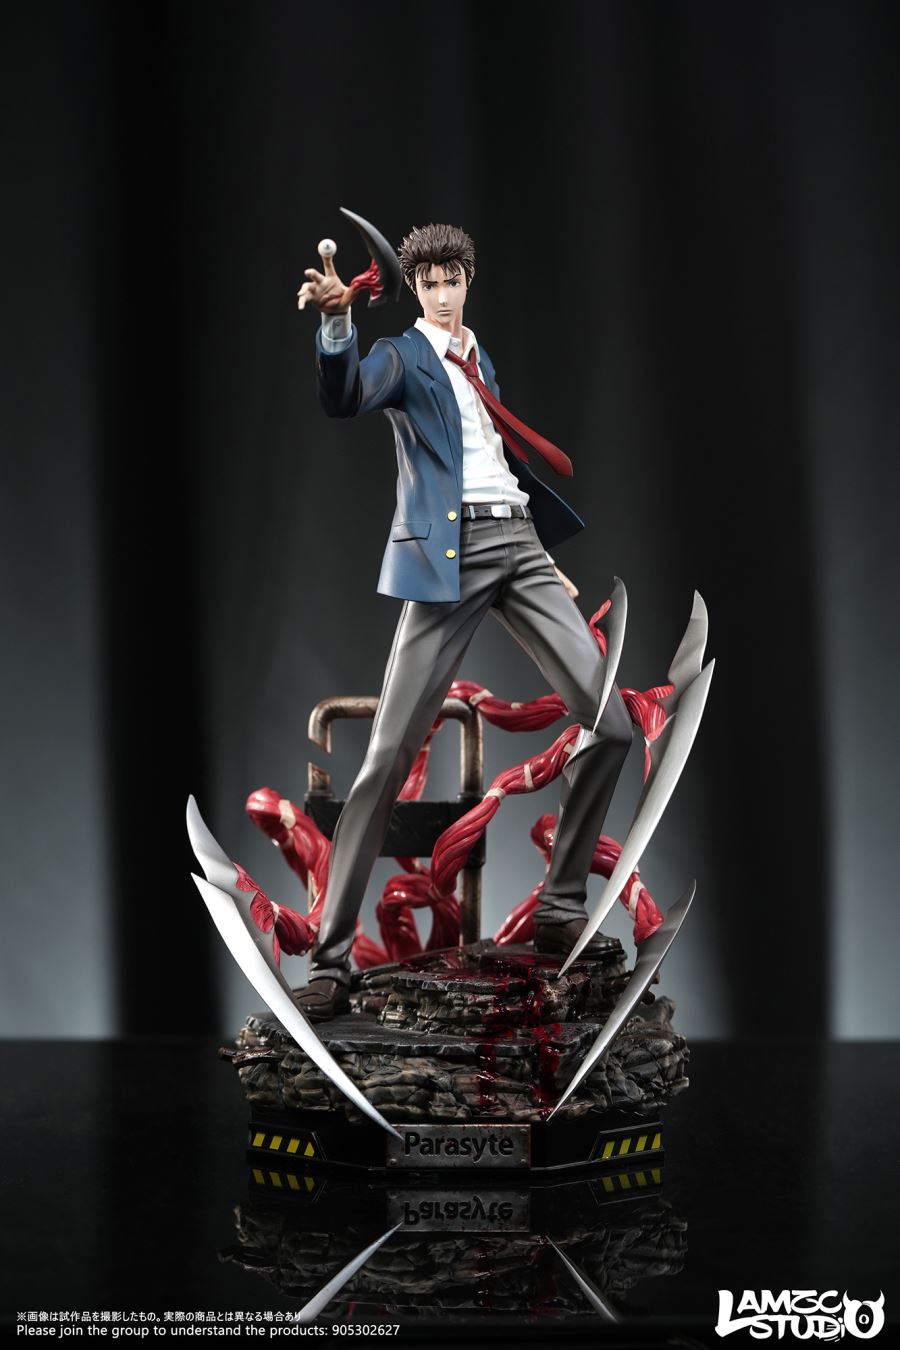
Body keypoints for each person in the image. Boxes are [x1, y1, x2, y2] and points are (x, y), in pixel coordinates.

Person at [294, 222, 633, 1019]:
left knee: (612, 723)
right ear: (414, 288)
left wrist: (539, 552)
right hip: (450, 559)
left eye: (453, 280)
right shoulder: (405, 356)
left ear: (468, 281)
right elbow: (345, 396)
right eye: (430, 282)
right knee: (387, 758)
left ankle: (560, 904)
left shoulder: (479, 357)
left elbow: (492, 457)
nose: (442, 294)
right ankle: (330, 958)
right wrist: (338, 324)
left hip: (518, 546)